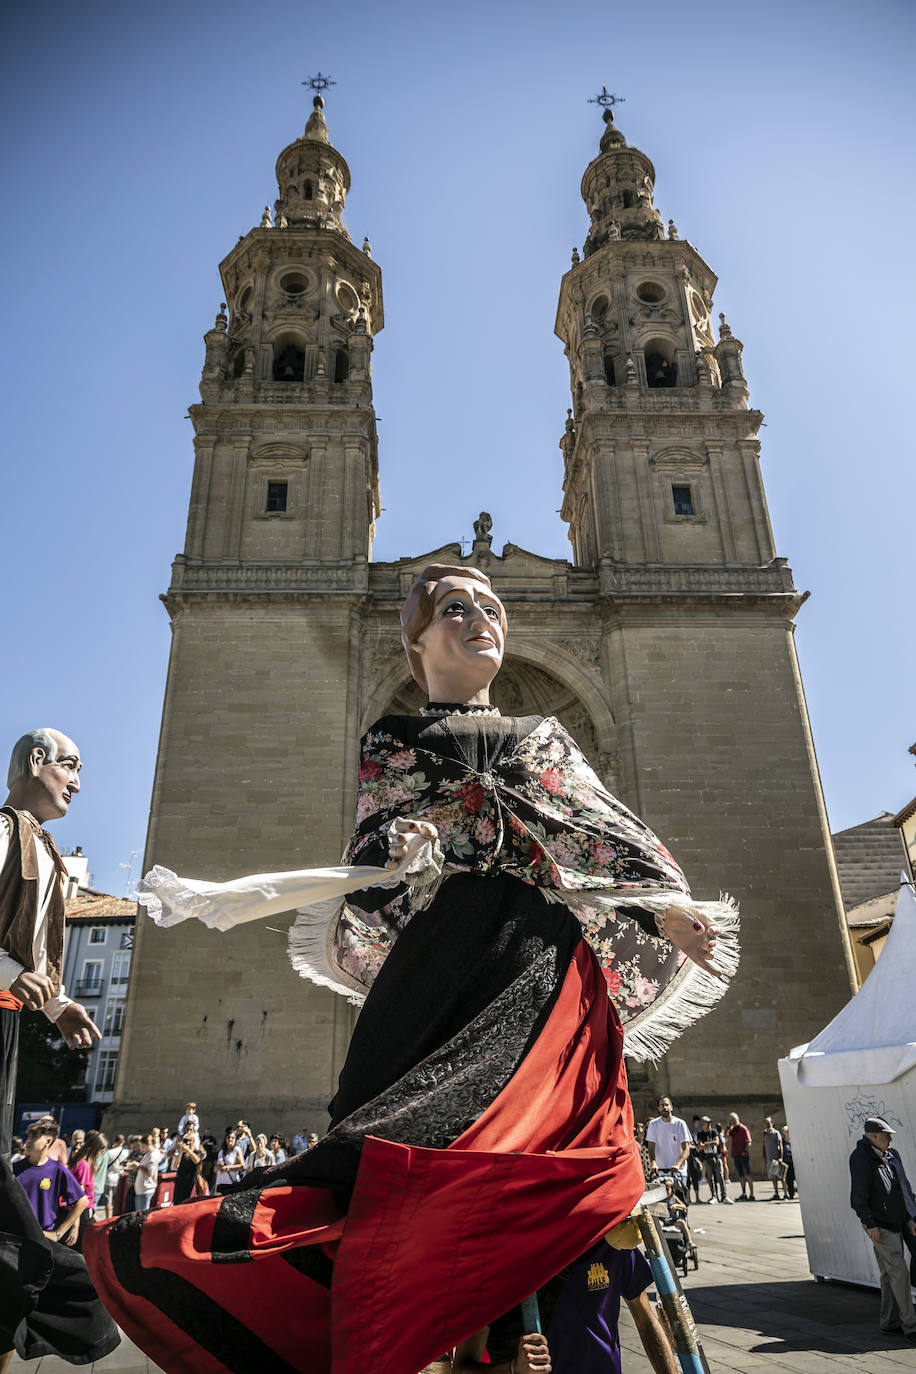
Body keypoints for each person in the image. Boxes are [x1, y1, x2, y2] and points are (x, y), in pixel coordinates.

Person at [85, 564, 737, 1374]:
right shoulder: (391, 744)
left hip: (541, 969)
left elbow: (595, 839)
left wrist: (662, 909)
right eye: (456, 608)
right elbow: (368, 858)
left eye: (493, 608)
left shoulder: (545, 739)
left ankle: (515, 1321)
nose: (481, 620)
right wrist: (401, 859)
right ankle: (422, 1324)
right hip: (437, 971)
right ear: (416, 638)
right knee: (392, 1141)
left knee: (540, 1151)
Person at [0, 730, 100, 1157]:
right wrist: (10, 974)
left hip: (8, 1017)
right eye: (71, 767)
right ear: (37, 760)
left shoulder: (44, 850)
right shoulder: (4, 831)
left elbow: (32, 952)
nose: (77, 784)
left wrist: (57, 1005)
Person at [453, 1223, 678, 1374]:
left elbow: (646, 1320)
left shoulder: (609, 1239)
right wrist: (514, 1368)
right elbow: (462, 1367)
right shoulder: (497, 1260)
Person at [850, 1116, 916, 1341]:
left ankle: (889, 1323)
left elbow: (902, 1190)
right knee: (900, 1273)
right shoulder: (861, 1157)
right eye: (887, 1136)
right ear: (874, 1136)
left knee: (889, 1275)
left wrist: (909, 1217)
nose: (890, 1140)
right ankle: (911, 1326)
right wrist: (870, 1223)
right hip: (880, 1226)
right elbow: (859, 1196)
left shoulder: (889, 1155)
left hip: (897, 1222)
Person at [13, 1118, 87, 1246]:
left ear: (48, 1141)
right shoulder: (14, 1168)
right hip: (14, 1236)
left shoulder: (57, 1170)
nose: (28, 1141)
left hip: (42, 1238)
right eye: (29, 1137)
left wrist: (58, 1233)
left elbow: (82, 1201)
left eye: (34, 1137)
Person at [645, 1097, 692, 1184]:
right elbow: (651, 1147)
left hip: (678, 1172)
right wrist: (653, 1163)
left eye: (667, 1105)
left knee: (680, 1196)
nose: (665, 1108)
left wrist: (678, 1164)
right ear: (658, 1108)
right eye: (662, 1105)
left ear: (671, 1107)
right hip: (660, 1172)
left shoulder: (680, 1124)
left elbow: (686, 1149)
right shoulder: (653, 1124)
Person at [695, 1116, 730, 1204]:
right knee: (710, 1178)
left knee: (720, 1177)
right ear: (703, 1124)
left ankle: (724, 1196)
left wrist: (705, 1144)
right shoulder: (700, 1134)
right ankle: (714, 1196)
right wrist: (707, 1145)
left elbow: (716, 1142)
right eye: (707, 1123)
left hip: (716, 1157)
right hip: (707, 1158)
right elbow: (699, 1146)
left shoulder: (713, 1132)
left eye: (710, 1123)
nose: (709, 1125)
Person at [169, 1125, 202, 1204]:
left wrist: (188, 1150)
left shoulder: (197, 1152)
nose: (187, 1142)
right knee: (178, 1203)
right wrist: (181, 1152)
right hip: (180, 1182)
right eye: (185, 1140)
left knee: (188, 1203)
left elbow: (197, 1161)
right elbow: (176, 1165)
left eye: (189, 1140)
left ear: (193, 1141)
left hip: (190, 1183)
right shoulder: (183, 1153)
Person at [726, 1112, 754, 1200]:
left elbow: (749, 1141)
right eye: (731, 1120)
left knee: (747, 1175)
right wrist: (728, 1126)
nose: (733, 1122)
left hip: (743, 1155)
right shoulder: (732, 1129)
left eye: (734, 1120)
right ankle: (744, 1193)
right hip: (736, 1155)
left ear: (738, 1119)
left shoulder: (743, 1128)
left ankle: (752, 1194)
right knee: (741, 1176)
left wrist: (744, 1151)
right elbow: (725, 1136)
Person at [100, 1134, 129, 1218]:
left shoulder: (109, 1152)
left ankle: (108, 1217)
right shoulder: (126, 1152)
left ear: (115, 1141)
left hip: (109, 1178)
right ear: (123, 1142)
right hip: (120, 1178)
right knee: (118, 1199)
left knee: (108, 1200)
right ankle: (115, 1216)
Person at [131, 1133, 161, 1212]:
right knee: (139, 1213)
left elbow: (149, 1173)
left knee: (141, 1213)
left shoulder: (152, 1155)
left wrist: (138, 1166)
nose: (141, 1148)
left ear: (147, 1144)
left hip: (146, 1188)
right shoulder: (149, 1154)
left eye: (142, 1146)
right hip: (142, 1188)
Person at [762, 1116, 786, 1200]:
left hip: (776, 1158)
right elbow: (764, 1145)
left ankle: (785, 1194)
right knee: (773, 1177)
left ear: (772, 1123)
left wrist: (781, 1157)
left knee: (781, 1177)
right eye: (766, 1123)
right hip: (769, 1159)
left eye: (768, 1123)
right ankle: (776, 1193)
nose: (767, 1125)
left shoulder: (776, 1133)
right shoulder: (765, 1133)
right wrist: (764, 1156)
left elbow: (780, 1145)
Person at [214, 1128, 245, 1192]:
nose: (230, 1139)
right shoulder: (221, 1152)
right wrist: (218, 1166)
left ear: (235, 1139)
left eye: (232, 1138)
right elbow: (215, 1170)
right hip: (220, 1183)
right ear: (225, 1139)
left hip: (231, 1184)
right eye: (228, 1137)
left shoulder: (237, 1150)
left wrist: (228, 1168)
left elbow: (242, 1165)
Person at [782, 1124, 796, 1200]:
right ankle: (791, 1194)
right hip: (787, 1162)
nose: (787, 1133)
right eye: (786, 1132)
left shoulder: (794, 1140)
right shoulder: (783, 1141)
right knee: (789, 1179)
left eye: (788, 1131)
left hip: (795, 1162)